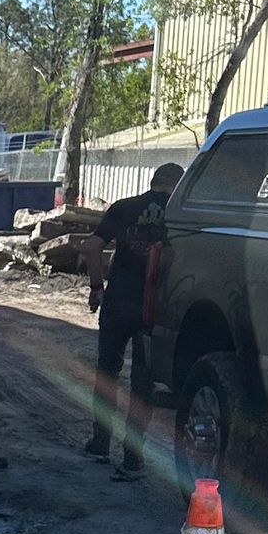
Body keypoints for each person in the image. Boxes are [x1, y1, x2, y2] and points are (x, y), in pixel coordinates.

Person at [80, 162, 184, 477]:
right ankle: (132, 457)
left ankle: (100, 443)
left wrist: (97, 288)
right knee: (142, 382)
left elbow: (93, 247)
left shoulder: (125, 207)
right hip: (153, 309)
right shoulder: (181, 215)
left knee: (107, 371)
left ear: (152, 181)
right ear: (176, 185)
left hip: (117, 303)